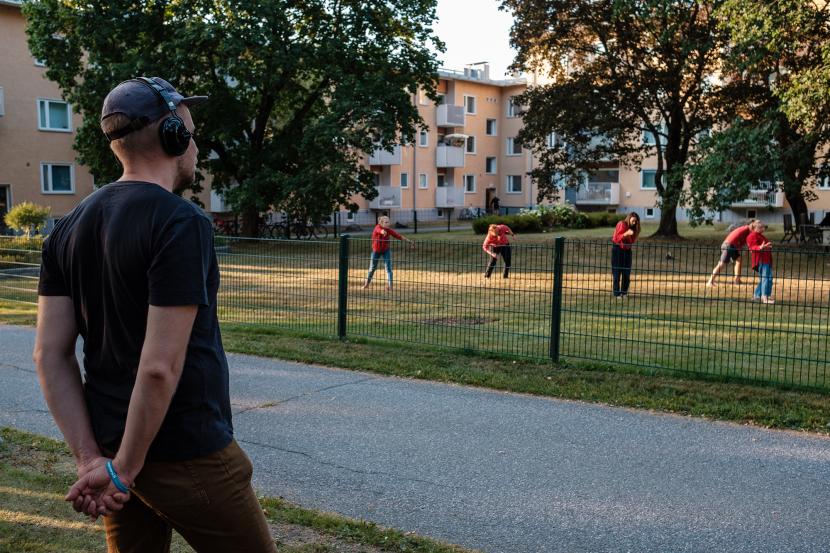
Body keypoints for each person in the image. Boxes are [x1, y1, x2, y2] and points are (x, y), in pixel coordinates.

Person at [33, 77, 276, 553]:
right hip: (185, 452)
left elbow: (49, 355)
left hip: (109, 450)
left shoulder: (67, 228)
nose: (195, 142)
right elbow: (160, 367)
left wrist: (94, 461)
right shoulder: (181, 223)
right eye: (190, 129)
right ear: (173, 136)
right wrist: (124, 469)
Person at [362, 215, 413, 291]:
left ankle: (390, 286)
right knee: (372, 267)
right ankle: (366, 284)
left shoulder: (388, 230)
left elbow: (398, 236)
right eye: (386, 222)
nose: (388, 223)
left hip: (386, 250)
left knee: (388, 268)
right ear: (381, 223)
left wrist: (409, 241)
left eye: (388, 222)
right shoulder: (377, 227)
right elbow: (379, 230)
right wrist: (383, 232)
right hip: (376, 250)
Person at [706, 220, 759, 287]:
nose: (756, 229)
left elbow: (744, 241)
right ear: (752, 226)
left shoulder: (747, 230)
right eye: (756, 227)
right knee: (721, 264)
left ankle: (737, 280)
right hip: (729, 245)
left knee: (738, 260)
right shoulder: (747, 229)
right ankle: (710, 281)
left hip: (732, 246)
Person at [611, 212, 641, 298]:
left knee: (626, 273)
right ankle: (617, 293)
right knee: (617, 272)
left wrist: (630, 234)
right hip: (617, 250)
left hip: (627, 251)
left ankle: (624, 292)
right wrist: (626, 234)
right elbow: (616, 238)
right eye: (633, 220)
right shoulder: (622, 224)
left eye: (636, 222)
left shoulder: (634, 229)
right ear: (630, 217)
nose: (634, 223)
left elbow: (632, 241)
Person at [747, 222, 775, 304]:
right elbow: (752, 248)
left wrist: (767, 246)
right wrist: (760, 247)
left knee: (768, 278)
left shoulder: (760, 235)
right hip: (761, 260)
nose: (763, 229)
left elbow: (764, 245)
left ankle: (757, 296)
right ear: (755, 228)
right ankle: (764, 297)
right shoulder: (752, 236)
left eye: (763, 227)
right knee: (765, 278)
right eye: (761, 227)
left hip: (766, 260)